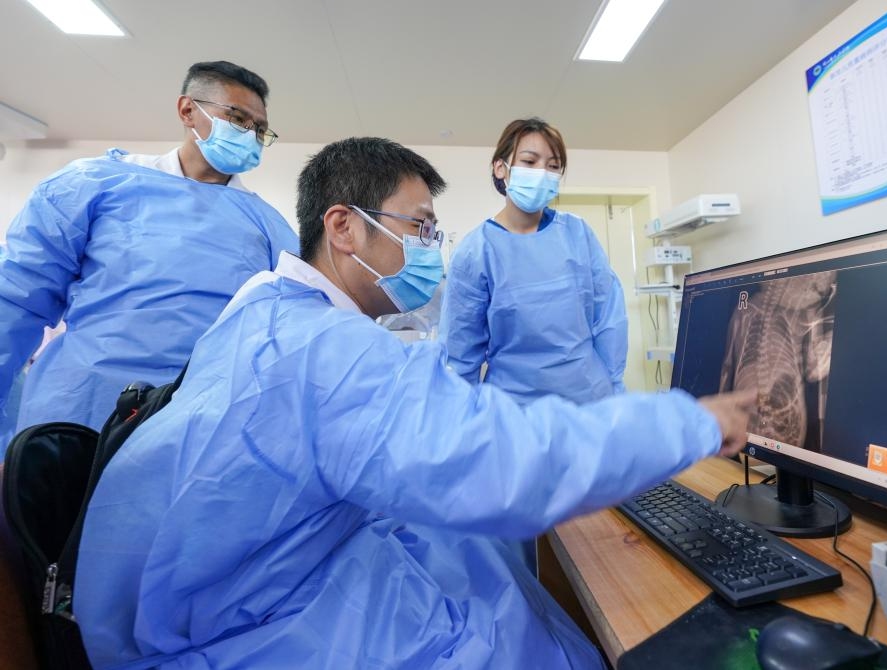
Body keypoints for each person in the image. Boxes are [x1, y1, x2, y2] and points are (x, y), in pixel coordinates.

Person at [76, 137, 756, 669]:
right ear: (343, 226)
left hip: (214, 592)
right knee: (526, 623)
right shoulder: (325, 349)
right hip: (246, 627)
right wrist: (689, 419)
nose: (433, 247)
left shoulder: (265, 311)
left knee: (496, 571)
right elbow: (500, 460)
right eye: (422, 227)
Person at [0, 60, 297, 433]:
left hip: (203, 426)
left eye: (259, 129)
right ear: (188, 110)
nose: (249, 134)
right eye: (237, 118)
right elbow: (15, 302)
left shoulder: (270, 228)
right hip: (78, 414)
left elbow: (288, 338)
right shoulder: (95, 185)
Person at [440, 117, 628, 405]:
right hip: (515, 412)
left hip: (589, 401)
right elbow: (460, 353)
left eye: (553, 166)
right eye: (529, 162)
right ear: (500, 167)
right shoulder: (475, 252)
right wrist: (461, 419)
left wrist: (614, 389)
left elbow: (608, 319)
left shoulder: (578, 235)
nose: (542, 173)